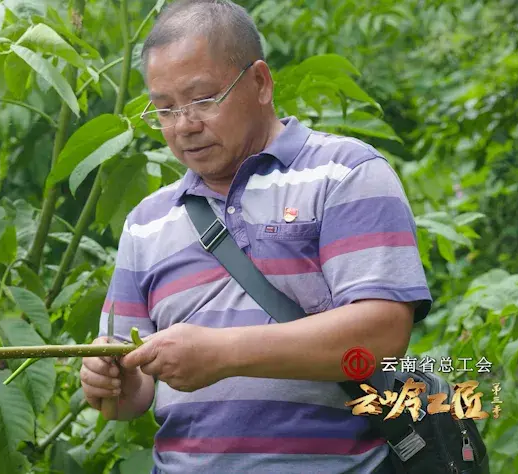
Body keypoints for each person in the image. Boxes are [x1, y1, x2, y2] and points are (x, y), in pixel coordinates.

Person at [78, 0, 432, 472]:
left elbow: (381, 336)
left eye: (203, 99)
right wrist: (110, 381)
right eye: (164, 110)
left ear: (260, 83)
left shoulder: (345, 173)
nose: (184, 126)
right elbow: (134, 395)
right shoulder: (146, 221)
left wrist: (224, 353)